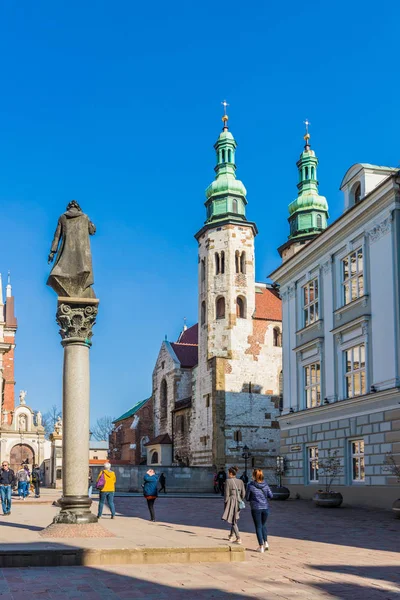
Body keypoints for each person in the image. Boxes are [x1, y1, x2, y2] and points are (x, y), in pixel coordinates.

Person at [246, 468, 274, 553]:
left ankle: (261, 546)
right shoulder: (265, 485)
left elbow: (247, 497)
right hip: (265, 507)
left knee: (258, 526)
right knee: (263, 525)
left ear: (254, 476)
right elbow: (271, 495)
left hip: (256, 508)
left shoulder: (250, 485)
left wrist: (252, 498)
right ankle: (266, 543)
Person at [222, 466, 246, 544]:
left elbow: (226, 495)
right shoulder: (241, 481)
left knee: (233, 521)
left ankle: (238, 538)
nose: (228, 474)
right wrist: (240, 500)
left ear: (231, 473)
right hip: (238, 502)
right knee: (234, 518)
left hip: (231, 501)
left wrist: (226, 504)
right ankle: (231, 535)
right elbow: (244, 493)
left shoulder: (228, 481)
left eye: (228, 473)